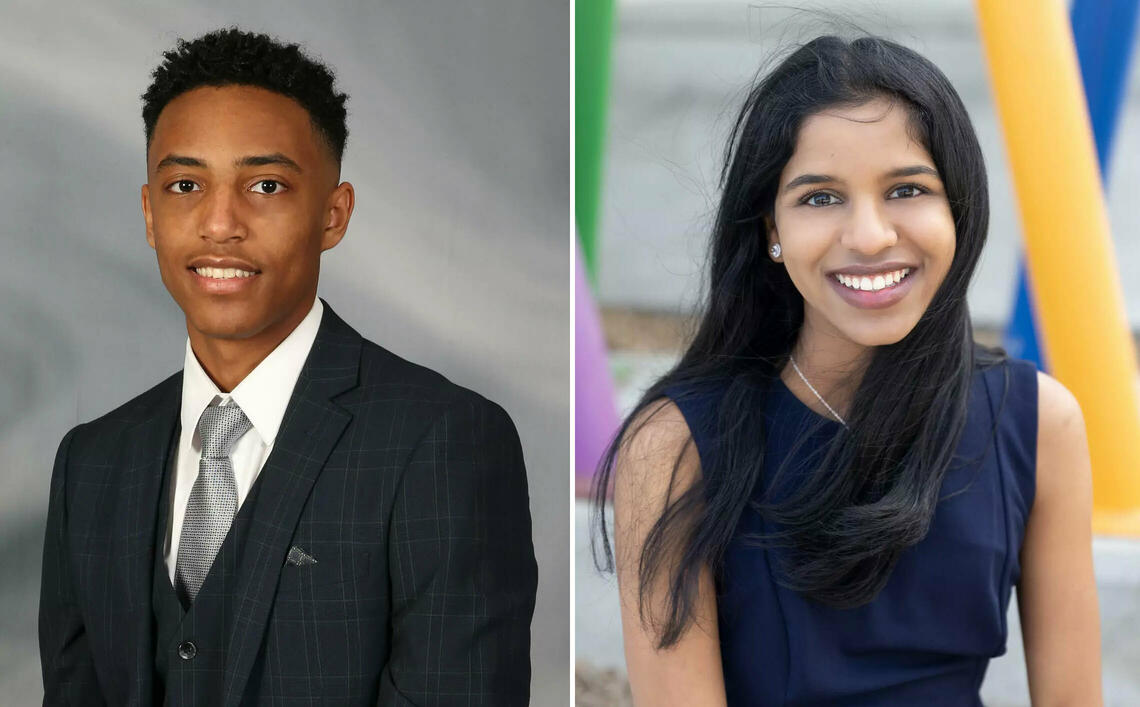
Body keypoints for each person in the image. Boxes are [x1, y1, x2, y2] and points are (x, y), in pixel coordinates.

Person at [593, 35, 1102, 705]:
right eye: (819, 198)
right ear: (769, 228)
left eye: (907, 189)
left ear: (960, 209)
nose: (868, 235)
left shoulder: (1037, 424)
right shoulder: (676, 445)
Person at [39, 28, 538, 706]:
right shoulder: (91, 464)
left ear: (333, 215)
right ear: (150, 214)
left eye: (265, 184)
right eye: (186, 184)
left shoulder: (443, 444)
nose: (219, 223)